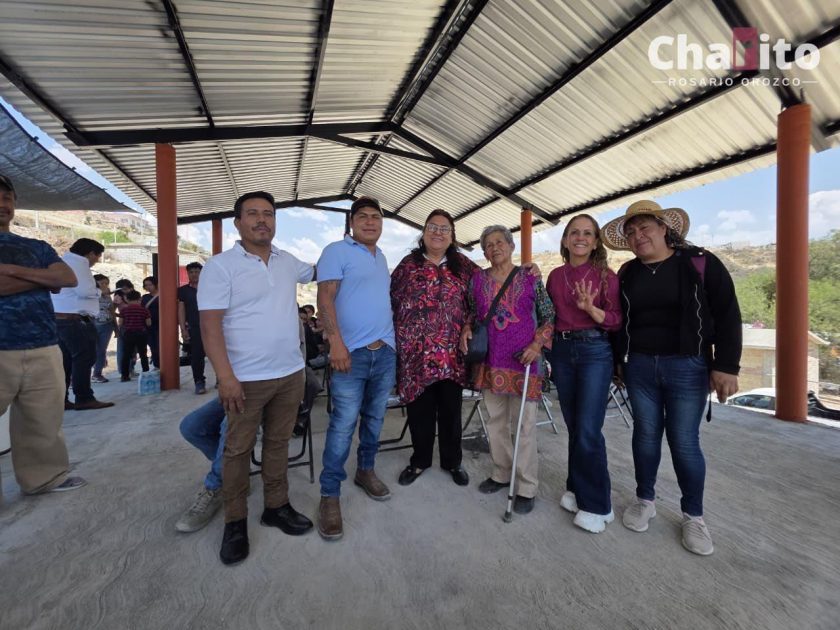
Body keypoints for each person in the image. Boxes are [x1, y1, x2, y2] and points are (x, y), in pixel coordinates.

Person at [602, 199, 742, 556]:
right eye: (631, 232)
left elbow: (728, 313)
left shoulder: (699, 262)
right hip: (640, 367)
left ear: (664, 229)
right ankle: (645, 499)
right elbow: (620, 321)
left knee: (684, 441)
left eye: (645, 228)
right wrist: (619, 361)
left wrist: (727, 365)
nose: (638, 236)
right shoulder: (627, 273)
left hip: (688, 366)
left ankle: (693, 515)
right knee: (645, 435)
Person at [199, 190, 317, 565]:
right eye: (252, 213)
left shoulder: (287, 261)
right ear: (238, 222)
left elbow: (321, 271)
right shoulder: (221, 266)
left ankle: (276, 506)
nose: (262, 219)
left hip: (290, 373)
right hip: (245, 378)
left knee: (278, 443)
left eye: (268, 213)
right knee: (237, 450)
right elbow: (209, 327)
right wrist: (225, 377)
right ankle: (235, 522)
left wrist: (350, 248)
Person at [316, 196, 396, 540]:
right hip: (351, 354)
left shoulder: (382, 257)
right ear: (351, 222)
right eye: (362, 216)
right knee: (343, 424)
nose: (370, 221)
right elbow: (324, 298)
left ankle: (365, 470)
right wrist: (336, 344)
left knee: (375, 419)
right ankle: (329, 494)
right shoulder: (336, 251)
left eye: (376, 217)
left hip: (385, 353)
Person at [0, 174, 86, 493]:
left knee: (42, 419)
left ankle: (44, 478)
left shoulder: (35, 246)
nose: (2, 203)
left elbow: (67, 278)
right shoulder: (39, 256)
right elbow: (53, 279)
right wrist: (41, 278)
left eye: (7, 197)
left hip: (44, 344)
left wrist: (10, 270)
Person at [459, 225, 554, 515]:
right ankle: (501, 473)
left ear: (512, 246)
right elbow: (472, 312)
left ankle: (526, 486)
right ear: (485, 252)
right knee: (496, 422)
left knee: (524, 426)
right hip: (491, 362)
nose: (494, 247)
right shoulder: (477, 280)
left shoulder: (530, 278)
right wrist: (466, 328)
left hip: (524, 362)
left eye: (500, 242)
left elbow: (549, 316)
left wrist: (537, 345)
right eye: (488, 245)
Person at [390, 209, 478, 488]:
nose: (438, 233)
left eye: (444, 229)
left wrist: (469, 324)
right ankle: (419, 461)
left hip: (452, 354)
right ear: (424, 232)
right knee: (420, 411)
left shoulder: (464, 266)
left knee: (451, 411)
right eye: (432, 227)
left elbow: (482, 297)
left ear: (452, 236)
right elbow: (391, 301)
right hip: (416, 354)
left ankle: (453, 462)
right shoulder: (407, 266)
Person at [545, 214, 621, 533]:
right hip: (562, 351)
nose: (580, 237)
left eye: (587, 233)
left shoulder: (606, 276)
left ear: (595, 242)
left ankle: (599, 506)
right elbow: (548, 315)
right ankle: (577, 489)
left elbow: (615, 320)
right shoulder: (555, 276)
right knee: (575, 426)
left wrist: (590, 308)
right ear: (565, 240)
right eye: (574, 232)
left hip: (594, 351)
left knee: (589, 429)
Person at [51, 237, 114, 410]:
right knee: (84, 357)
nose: (97, 260)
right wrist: (100, 291)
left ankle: (62, 399)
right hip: (75, 319)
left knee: (66, 361)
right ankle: (84, 397)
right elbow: (85, 291)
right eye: (98, 256)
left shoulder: (62, 261)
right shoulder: (79, 263)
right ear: (91, 253)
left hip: (60, 318)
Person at [175, 397, 227, 532]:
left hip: (263, 394)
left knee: (230, 426)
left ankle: (216, 485)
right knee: (190, 427)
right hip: (239, 391)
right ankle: (234, 470)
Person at [180, 262, 206, 394]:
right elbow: (181, 310)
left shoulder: (210, 288)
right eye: (191, 272)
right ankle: (199, 382)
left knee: (218, 353)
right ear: (188, 274)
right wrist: (183, 329)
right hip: (194, 327)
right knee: (197, 355)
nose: (194, 274)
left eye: (197, 272)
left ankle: (220, 379)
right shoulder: (183, 291)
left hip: (212, 326)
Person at [118, 290, 151, 381]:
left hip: (129, 334)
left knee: (126, 355)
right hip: (141, 334)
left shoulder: (124, 310)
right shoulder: (144, 310)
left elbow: (120, 323)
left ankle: (125, 376)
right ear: (139, 299)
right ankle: (146, 373)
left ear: (127, 299)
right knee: (143, 354)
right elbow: (148, 323)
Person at [92, 273, 116, 383]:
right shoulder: (89, 295)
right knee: (88, 350)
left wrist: (116, 328)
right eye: (102, 283)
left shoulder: (107, 296)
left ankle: (97, 373)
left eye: (106, 283)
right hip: (91, 325)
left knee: (101, 349)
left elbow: (112, 311)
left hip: (107, 324)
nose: (105, 285)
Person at [112, 278, 136, 377]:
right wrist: (121, 316)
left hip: (137, 324)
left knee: (134, 349)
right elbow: (111, 311)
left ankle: (131, 369)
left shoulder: (135, 296)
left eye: (127, 288)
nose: (126, 291)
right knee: (123, 349)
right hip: (124, 325)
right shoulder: (117, 297)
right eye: (123, 289)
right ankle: (123, 371)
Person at [141, 276, 160, 369]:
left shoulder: (163, 295)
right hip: (149, 325)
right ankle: (157, 365)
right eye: (146, 285)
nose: (148, 287)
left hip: (162, 325)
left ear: (156, 284)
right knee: (153, 346)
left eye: (150, 284)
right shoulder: (144, 297)